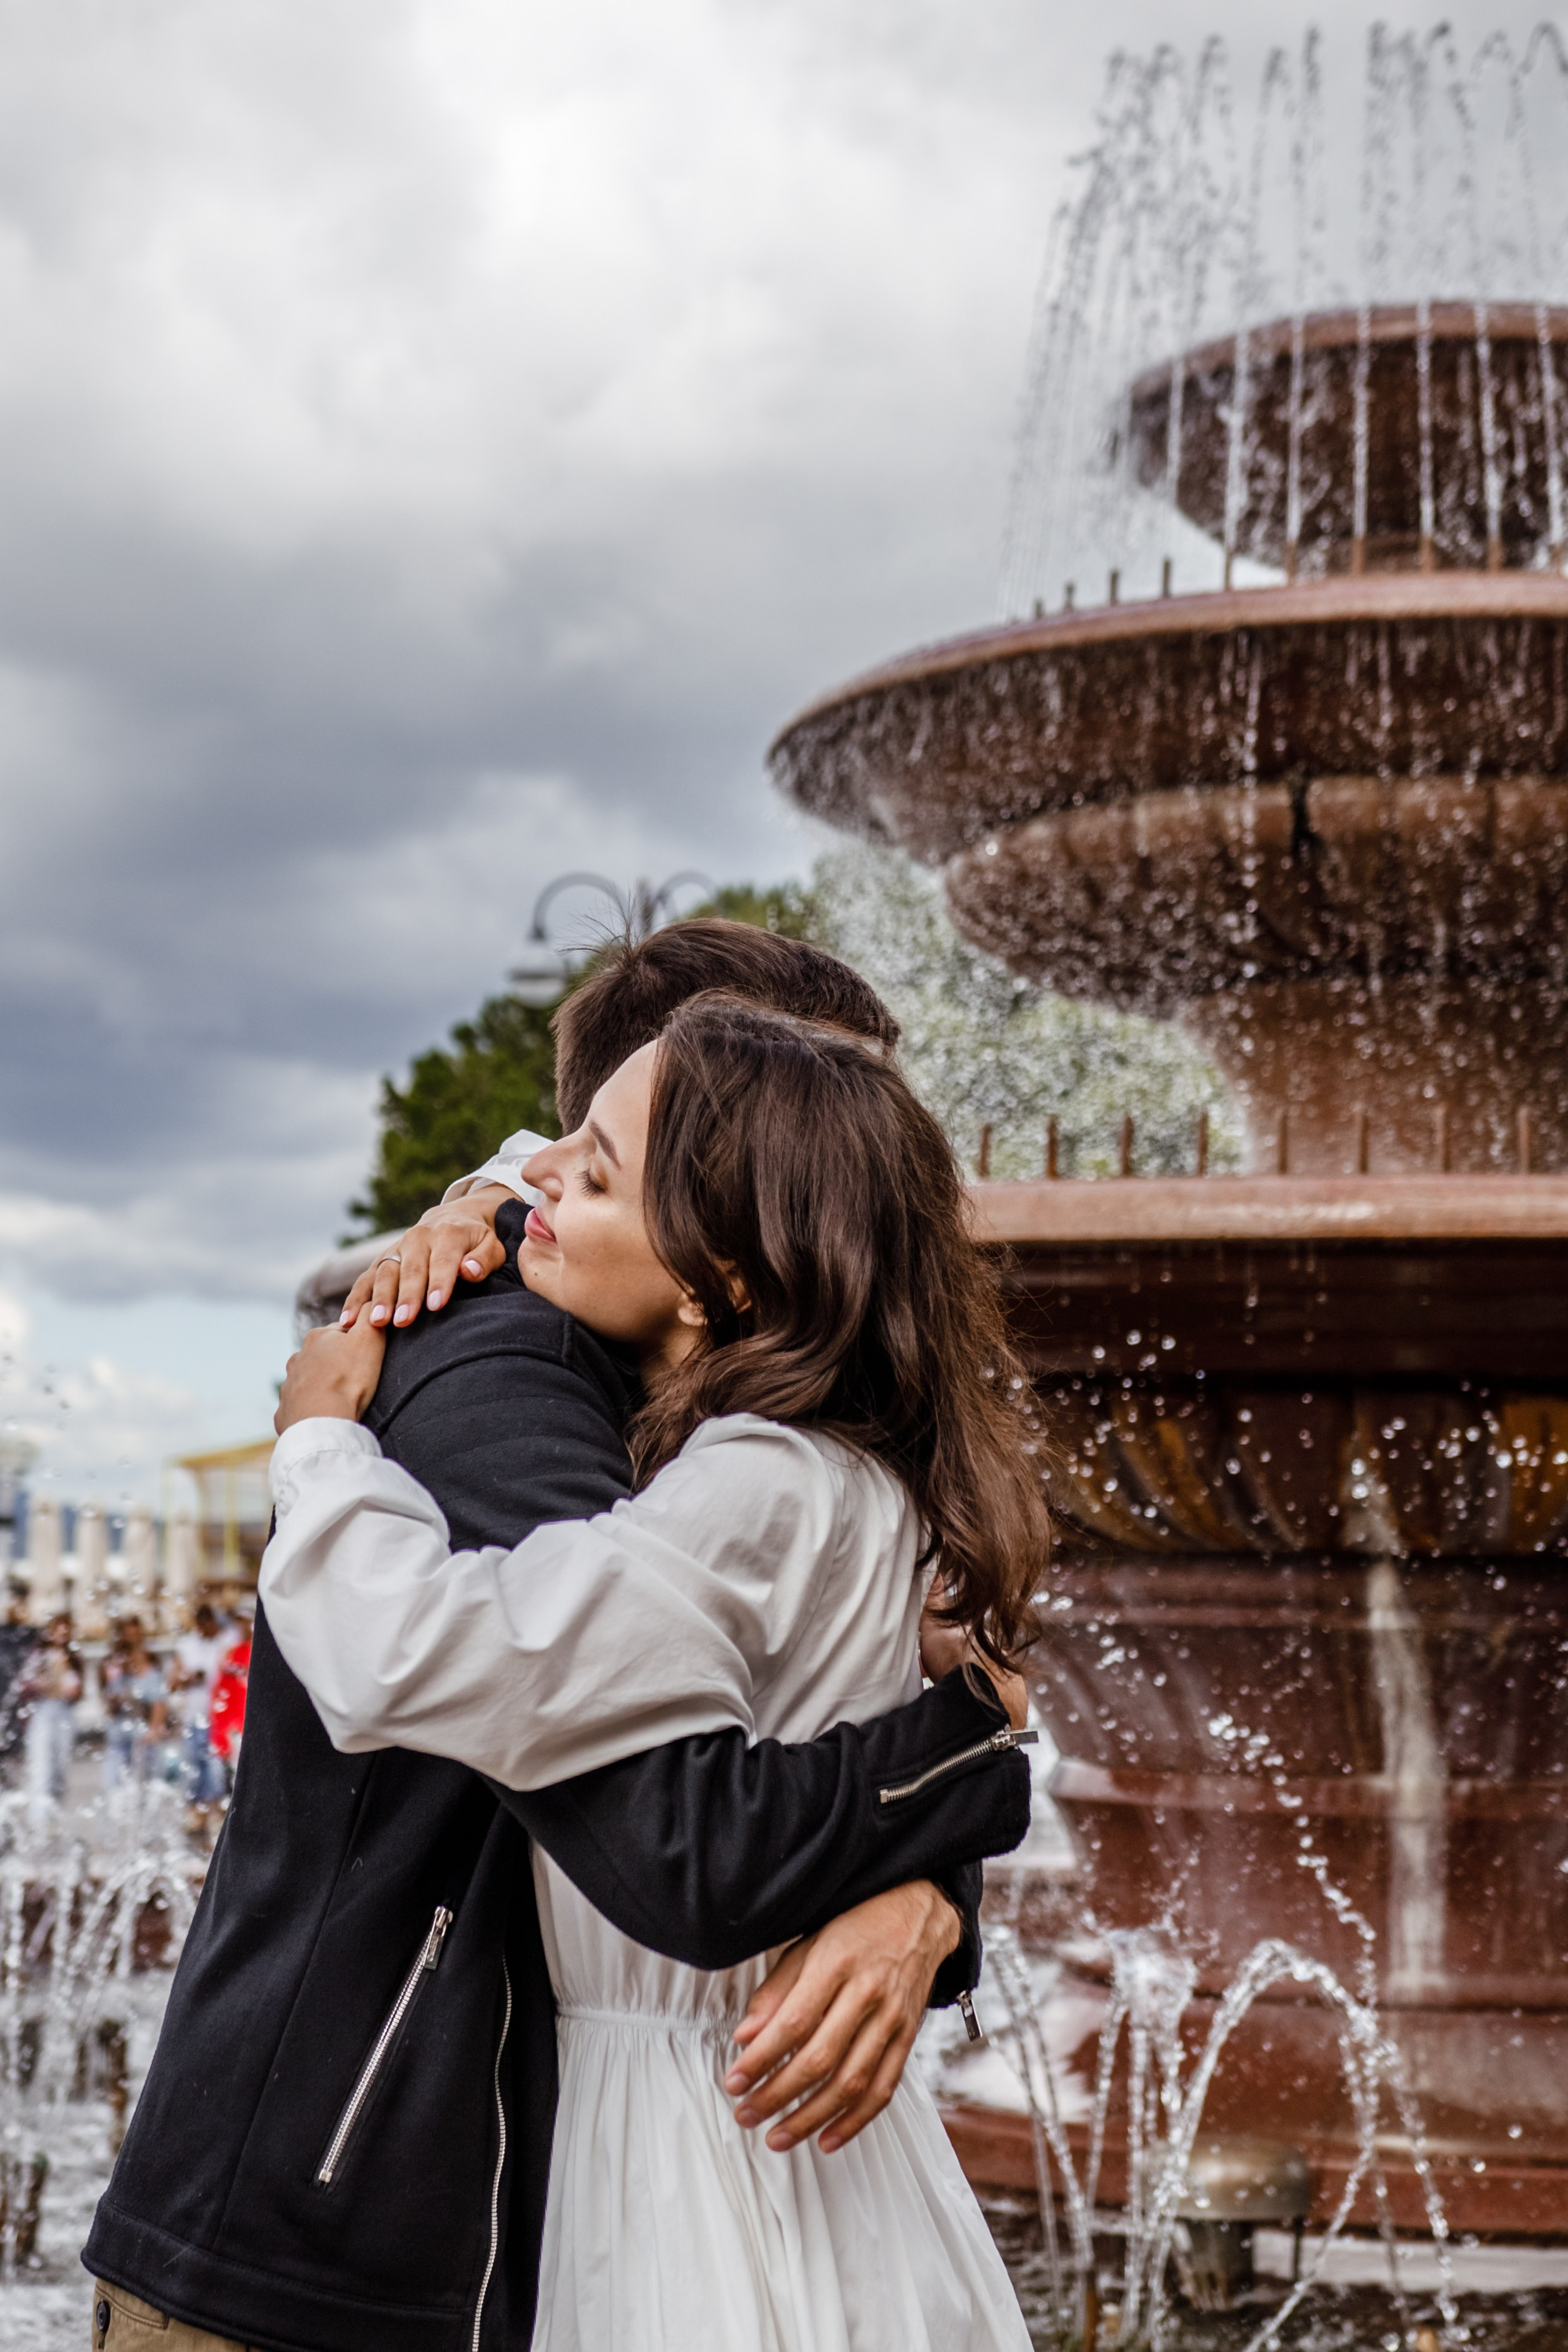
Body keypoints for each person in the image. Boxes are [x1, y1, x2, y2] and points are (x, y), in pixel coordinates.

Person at [83, 923, 1031, 2352]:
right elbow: (664, 1823)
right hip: (327, 2252)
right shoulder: (502, 1362)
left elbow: (812, 1712)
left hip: (492, 2209)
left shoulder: (737, 1419)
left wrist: (928, 1890)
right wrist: (951, 1798)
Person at [18, 1612, 81, 1826]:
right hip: (43, 1711)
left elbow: (77, 1692)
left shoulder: (72, 1657)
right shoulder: (39, 1655)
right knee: (41, 1765)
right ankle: (39, 1819)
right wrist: (46, 1684)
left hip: (64, 1713)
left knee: (60, 1766)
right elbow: (26, 1685)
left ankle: (55, 1814)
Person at [168, 1603, 228, 1811]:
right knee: (194, 1769)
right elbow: (173, 1682)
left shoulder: (224, 1644)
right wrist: (190, 1677)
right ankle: (195, 1817)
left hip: (218, 1718)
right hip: (193, 1716)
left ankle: (214, 1816)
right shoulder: (187, 1646)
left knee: (215, 1769)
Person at [101, 1618, 169, 1790]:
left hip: (143, 1732)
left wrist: (154, 1729)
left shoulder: (152, 1665)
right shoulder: (112, 1666)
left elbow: (159, 1702)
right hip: (119, 1731)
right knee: (114, 1782)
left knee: (146, 1782)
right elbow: (108, 1703)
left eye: (136, 1634)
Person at [205, 1605, 251, 1781]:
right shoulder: (229, 1651)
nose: (242, 1626)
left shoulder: (259, 1650)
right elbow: (220, 1691)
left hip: (249, 1723)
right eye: (239, 1621)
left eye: (245, 1621)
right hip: (231, 1725)